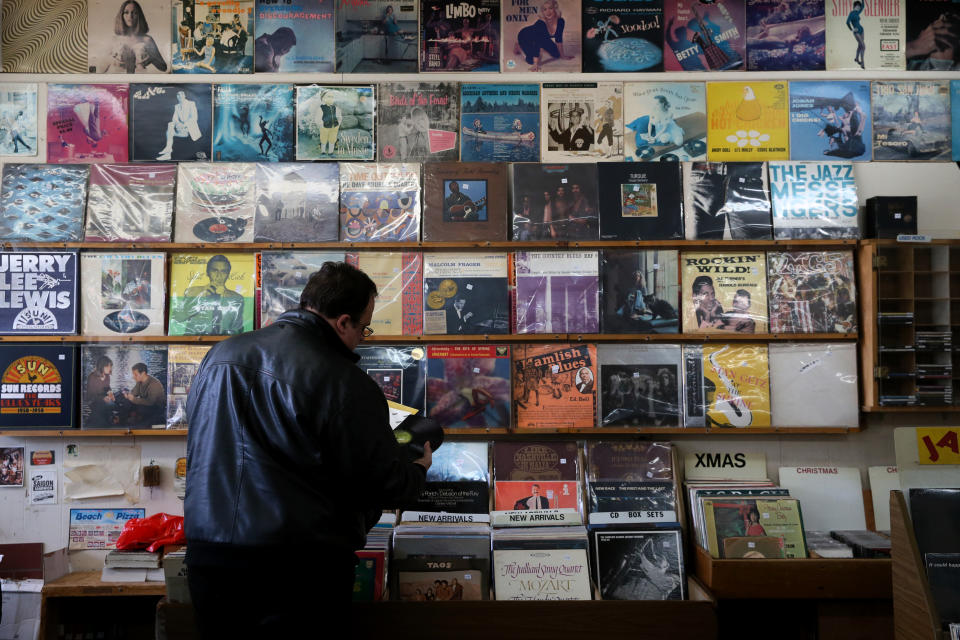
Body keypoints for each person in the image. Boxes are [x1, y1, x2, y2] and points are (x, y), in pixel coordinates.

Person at [185, 261, 431, 636]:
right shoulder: (342, 380)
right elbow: (382, 482)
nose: (362, 338)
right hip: (299, 567)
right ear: (343, 321)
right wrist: (417, 468)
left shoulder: (220, 356)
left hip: (209, 555)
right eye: (364, 327)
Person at [176, 254, 245, 335]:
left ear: (228, 274)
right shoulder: (192, 292)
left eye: (223, 271)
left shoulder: (236, 298)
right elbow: (178, 318)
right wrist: (200, 298)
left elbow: (237, 329)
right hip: (194, 342)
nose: (218, 275)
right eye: (215, 270)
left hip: (224, 343)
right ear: (207, 272)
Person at [100, 0, 168, 73]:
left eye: (134, 13)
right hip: (119, 82)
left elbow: (163, 67)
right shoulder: (114, 40)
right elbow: (100, 70)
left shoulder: (147, 40)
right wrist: (113, 60)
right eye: (126, 12)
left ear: (139, 16)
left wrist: (149, 58)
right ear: (121, 15)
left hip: (140, 82)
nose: (130, 16)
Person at [515, 0, 569, 71]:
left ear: (555, 9)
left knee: (557, 55)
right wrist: (535, 64)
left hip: (541, 38)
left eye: (550, 8)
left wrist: (563, 56)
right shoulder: (540, 23)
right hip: (525, 36)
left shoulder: (561, 21)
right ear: (542, 12)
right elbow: (537, 42)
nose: (548, 12)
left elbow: (559, 38)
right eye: (545, 9)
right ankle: (518, 46)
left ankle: (542, 48)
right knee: (530, 60)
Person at [157, 90, 201, 161]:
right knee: (170, 125)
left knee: (169, 132)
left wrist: (183, 125)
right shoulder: (176, 106)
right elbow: (174, 118)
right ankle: (168, 153)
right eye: (178, 95)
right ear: (177, 97)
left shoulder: (191, 103)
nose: (180, 96)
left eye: (181, 94)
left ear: (184, 96)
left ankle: (168, 150)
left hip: (190, 130)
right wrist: (178, 124)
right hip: (181, 130)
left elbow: (194, 118)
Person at [123, 362, 165, 427]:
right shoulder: (139, 382)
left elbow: (150, 402)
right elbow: (134, 392)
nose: (133, 377)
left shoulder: (154, 384)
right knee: (126, 401)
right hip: (145, 405)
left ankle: (136, 419)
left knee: (140, 408)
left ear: (143, 373)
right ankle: (127, 418)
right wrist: (127, 394)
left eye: (135, 374)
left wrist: (134, 399)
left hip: (156, 407)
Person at [86, 355, 116, 426]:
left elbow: (108, 388)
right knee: (110, 405)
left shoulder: (107, 376)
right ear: (102, 366)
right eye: (108, 366)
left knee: (118, 399)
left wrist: (111, 394)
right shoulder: (92, 377)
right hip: (94, 401)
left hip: (104, 398)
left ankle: (111, 418)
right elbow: (90, 396)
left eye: (110, 366)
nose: (110, 368)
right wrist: (103, 398)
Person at [846, 1, 865, 69]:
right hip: (856, 32)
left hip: (861, 30)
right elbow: (847, 22)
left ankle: (856, 58)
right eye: (857, 6)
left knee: (860, 45)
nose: (858, 7)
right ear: (854, 6)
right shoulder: (851, 13)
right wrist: (852, 29)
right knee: (863, 46)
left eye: (859, 6)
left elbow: (863, 6)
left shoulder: (858, 12)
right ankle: (862, 63)